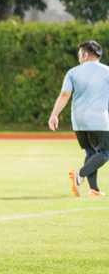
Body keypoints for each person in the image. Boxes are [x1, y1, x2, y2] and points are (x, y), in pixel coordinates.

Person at [49, 40, 109, 197]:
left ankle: (94, 189)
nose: (79, 58)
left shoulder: (73, 72)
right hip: (98, 120)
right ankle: (80, 175)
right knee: (105, 153)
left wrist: (54, 115)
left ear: (86, 54)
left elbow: (65, 95)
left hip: (79, 121)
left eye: (79, 55)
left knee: (91, 153)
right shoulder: (107, 71)